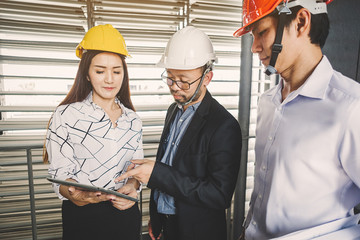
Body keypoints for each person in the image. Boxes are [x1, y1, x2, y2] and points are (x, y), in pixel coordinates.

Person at [233, 0, 360, 239]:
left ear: (301, 22)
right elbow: (263, 188)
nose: (254, 47)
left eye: (261, 32)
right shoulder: (268, 102)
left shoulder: (351, 108)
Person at [117, 26, 242, 240]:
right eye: (170, 78)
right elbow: (169, 162)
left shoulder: (224, 125)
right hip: (166, 226)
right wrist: (156, 218)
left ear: (207, 78)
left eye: (184, 80)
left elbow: (219, 195)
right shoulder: (173, 110)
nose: (175, 87)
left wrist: (156, 174)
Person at [43, 24, 143, 240]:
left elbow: (136, 170)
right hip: (83, 217)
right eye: (100, 71)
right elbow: (59, 176)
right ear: (86, 74)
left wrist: (132, 187)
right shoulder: (65, 115)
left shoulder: (132, 119)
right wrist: (76, 194)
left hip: (126, 215)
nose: (110, 79)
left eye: (117, 71)